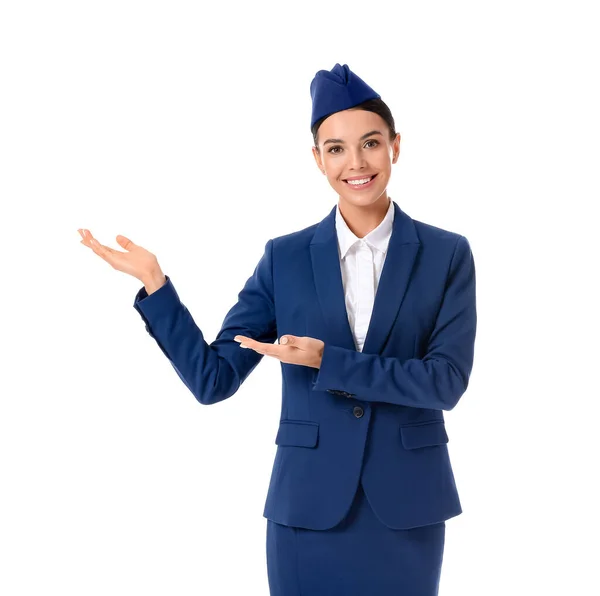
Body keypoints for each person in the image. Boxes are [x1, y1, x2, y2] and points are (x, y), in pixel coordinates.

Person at [78, 63, 477, 596]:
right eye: (335, 149)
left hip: (406, 509)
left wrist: (326, 362)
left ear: (396, 147)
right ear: (317, 159)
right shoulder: (284, 259)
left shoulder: (447, 254)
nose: (355, 163)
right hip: (306, 511)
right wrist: (156, 285)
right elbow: (213, 380)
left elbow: (445, 382)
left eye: (371, 143)